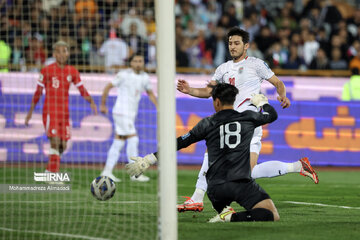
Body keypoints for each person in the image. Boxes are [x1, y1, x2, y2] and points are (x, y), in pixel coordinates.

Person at [176, 27, 318, 212]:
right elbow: (210, 91)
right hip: (228, 123)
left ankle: (297, 166)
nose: (232, 47)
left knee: (244, 172)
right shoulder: (223, 68)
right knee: (217, 157)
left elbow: (278, 83)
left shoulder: (256, 64)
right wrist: (191, 91)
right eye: (230, 43)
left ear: (246, 46)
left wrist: (282, 96)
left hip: (248, 123)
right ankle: (196, 198)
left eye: (236, 43)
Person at [127, 83, 280, 222]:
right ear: (233, 100)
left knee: (222, 201)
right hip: (241, 182)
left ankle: (225, 213)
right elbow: (272, 115)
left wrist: (150, 159)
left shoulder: (207, 123)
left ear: (217, 101)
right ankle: (231, 217)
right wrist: (262, 103)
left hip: (216, 190)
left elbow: (180, 142)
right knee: (271, 214)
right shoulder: (248, 118)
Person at [25, 40, 98, 173]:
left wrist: (91, 102)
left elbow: (82, 89)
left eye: (64, 51)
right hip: (50, 112)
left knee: (62, 145)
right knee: (55, 142)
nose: (62, 54)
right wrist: (30, 112)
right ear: (54, 54)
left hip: (64, 113)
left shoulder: (72, 71)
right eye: (58, 51)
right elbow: (38, 92)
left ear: (68, 53)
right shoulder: (47, 70)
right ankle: (53, 174)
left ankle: (49, 170)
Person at [100, 54, 157, 182]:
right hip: (121, 112)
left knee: (118, 142)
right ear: (131, 63)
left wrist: (159, 107)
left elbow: (150, 93)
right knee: (133, 139)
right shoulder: (123, 74)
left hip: (130, 114)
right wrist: (103, 104)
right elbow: (108, 86)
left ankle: (107, 171)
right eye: (135, 61)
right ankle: (135, 173)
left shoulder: (145, 77)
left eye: (140, 61)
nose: (138, 63)